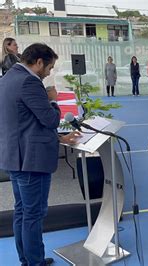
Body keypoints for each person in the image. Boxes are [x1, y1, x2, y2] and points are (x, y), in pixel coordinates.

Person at [0, 43, 80, 266]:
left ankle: (27, 259)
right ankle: (35, 262)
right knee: (33, 214)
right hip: (31, 161)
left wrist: (58, 138)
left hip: (14, 157)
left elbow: (23, 121)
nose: (49, 72)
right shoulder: (30, 82)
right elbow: (50, 119)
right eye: (50, 67)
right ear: (38, 63)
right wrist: (53, 99)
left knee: (22, 212)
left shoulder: (7, 78)